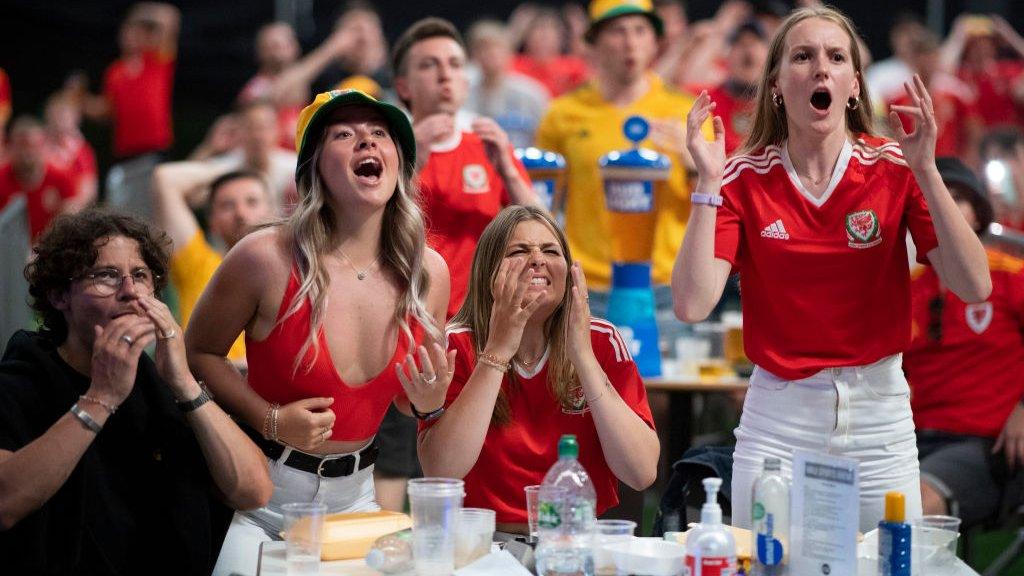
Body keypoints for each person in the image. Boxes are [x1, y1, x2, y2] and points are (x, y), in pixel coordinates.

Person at [672, 6, 991, 532]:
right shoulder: (741, 178)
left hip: (878, 414)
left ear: (853, 86)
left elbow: (973, 284)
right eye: (803, 56)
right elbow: (691, 303)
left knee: (889, 566)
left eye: (835, 57)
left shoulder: (896, 167)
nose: (821, 68)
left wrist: (928, 171)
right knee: (769, 567)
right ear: (776, 85)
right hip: (779, 418)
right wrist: (707, 183)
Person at [184, 89, 452, 576]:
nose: (366, 142)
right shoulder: (264, 256)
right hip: (259, 500)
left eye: (379, 134)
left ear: (399, 162)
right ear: (313, 168)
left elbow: (404, 403)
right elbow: (198, 352)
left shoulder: (428, 272)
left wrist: (430, 401)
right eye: (344, 134)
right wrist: (269, 419)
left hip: (358, 502)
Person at [0, 209, 272, 575]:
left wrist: (185, 383)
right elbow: (5, 502)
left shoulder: (160, 383)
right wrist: (102, 397)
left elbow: (253, 491)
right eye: (106, 276)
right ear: (59, 295)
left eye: (140, 276)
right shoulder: (17, 384)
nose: (129, 291)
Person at [417, 205, 659, 531]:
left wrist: (583, 358)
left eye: (550, 250)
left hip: (578, 539)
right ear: (489, 273)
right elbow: (442, 470)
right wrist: (498, 352)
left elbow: (641, 472)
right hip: (483, 542)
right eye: (519, 251)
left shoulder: (602, 340)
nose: (537, 259)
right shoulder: (456, 344)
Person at [535, 0, 701, 329]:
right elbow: (543, 206)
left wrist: (694, 161)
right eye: (617, 31)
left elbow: (713, 205)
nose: (630, 42)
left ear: (655, 42)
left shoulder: (687, 113)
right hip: (586, 288)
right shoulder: (562, 113)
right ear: (593, 42)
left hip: (665, 291)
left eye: (640, 31)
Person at [392, 16, 541, 318]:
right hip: (407, 315)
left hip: (481, 319)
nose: (445, 74)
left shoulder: (489, 146)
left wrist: (509, 172)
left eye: (455, 64)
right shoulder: (386, 149)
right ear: (404, 87)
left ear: (466, 80)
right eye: (429, 65)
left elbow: (541, 228)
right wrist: (413, 159)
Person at [903, 157, 1022, 528]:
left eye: (957, 197)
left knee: (909, 507)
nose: (943, 204)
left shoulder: (1010, 275)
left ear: (977, 213)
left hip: (988, 446)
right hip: (911, 441)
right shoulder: (905, 288)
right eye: (933, 195)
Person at [152, 166, 275, 363]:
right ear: (212, 221)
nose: (241, 213)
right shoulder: (197, 263)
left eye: (252, 202)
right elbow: (165, 178)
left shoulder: (295, 268)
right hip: (207, 387)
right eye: (227, 205)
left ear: (272, 211)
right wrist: (240, 163)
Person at [190, 101, 299, 209]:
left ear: (277, 130)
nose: (257, 136)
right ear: (239, 132)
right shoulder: (225, 168)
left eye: (263, 127)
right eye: (250, 127)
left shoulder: (294, 167)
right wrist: (209, 147)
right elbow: (191, 196)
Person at [464, 19, 550, 149]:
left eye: (496, 47)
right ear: (473, 55)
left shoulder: (532, 93)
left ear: (510, 52)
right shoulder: (463, 94)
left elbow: (546, 137)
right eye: (483, 48)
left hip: (523, 164)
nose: (491, 54)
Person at [0, 117, 76, 241]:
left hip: (48, 249)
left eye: (32, 146)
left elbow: (70, 223)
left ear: (43, 145)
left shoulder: (62, 178)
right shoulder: (1, 179)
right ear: (10, 147)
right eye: (21, 146)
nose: (27, 153)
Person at [236, 22, 305, 150]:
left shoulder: (304, 83)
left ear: (296, 47)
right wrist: (335, 45)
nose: (278, 50)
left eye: (284, 44)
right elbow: (280, 90)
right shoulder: (255, 88)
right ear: (260, 52)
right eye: (272, 45)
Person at [43, 94, 98, 212]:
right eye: (56, 115)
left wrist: (72, 206)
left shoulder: (81, 150)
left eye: (63, 115)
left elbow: (89, 189)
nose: (59, 121)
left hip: (70, 211)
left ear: (75, 118)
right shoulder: (38, 147)